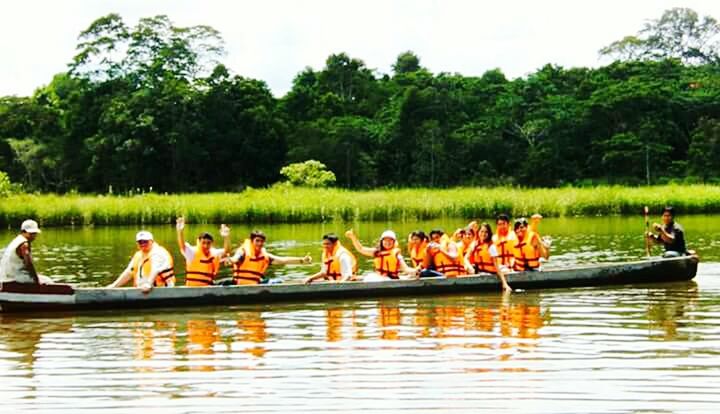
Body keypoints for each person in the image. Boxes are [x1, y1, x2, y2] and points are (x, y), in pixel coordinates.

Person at [230, 230, 312, 285]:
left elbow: (283, 260)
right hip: (239, 284)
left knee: (278, 281)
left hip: (255, 284)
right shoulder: (243, 252)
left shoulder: (265, 256)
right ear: (252, 241)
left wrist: (302, 260)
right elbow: (235, 258)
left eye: (262, 241)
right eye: (257, 241)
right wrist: (230, 260)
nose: (260, 243)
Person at [108, 231, 175, 293]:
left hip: (160, 290)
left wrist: (148, 284)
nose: (143, 244)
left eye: (145, 241)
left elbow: (155, 269)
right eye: (140, 242)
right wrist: (113, 286)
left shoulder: (158, 252)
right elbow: (128, 272)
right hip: (142, 291)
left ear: (152, 241)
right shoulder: (139, 255)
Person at [176, 217, 231, 286]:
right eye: (203, 243)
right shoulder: (192, 252)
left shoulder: (213, 252)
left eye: (208, 243)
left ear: (212, 243)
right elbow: (182, 245)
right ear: (199, 242)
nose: (206, 245)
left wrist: (226, 237)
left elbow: (227, 250)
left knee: (229, 281)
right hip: (193, 287)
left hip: (208, 286)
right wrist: (180, 231)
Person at [344, 229, 417, 280]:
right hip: (378, 277)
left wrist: (415, 271)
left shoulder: (397, 255)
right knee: (364, 277)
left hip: (390, 279)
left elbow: (406, 269)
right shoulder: (376, 252)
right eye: (385, 240)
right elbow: (361, 249)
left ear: (394, 242)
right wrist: (352, 237)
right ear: (381, 241)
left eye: (390, 240)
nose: (388, 242)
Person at [0, 219, 54, 285]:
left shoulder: (16, 240)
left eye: (34, 233)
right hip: (14, 277)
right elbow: (29, 263)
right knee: (48, 281)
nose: (33, 236)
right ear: (23, 232)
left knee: (41, 277)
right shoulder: (24, 244)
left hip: (6, 276)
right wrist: (36, 280)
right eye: (31, 233)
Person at [465, 223, 512, 291]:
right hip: (479, 271)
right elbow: (466, 258)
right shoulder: (475, 244)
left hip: (491, 271)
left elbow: (496, 266)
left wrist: (504, 284)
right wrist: (469, 266)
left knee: (506, 270)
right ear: (478, 232)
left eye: (486, 232)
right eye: (482, 231)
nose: (483, 234)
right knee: (467, 267)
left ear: (489, 234)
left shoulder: (491, 247)